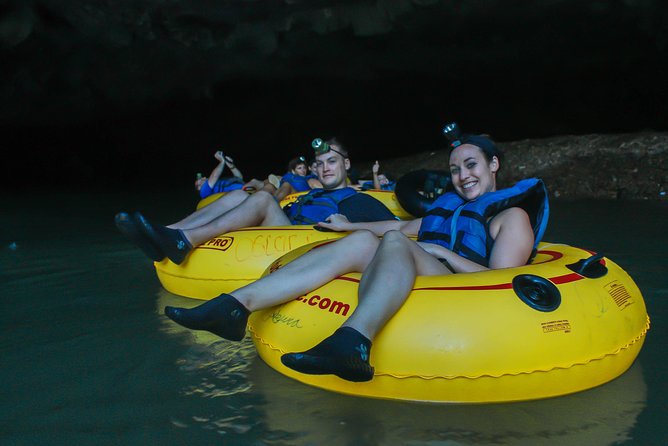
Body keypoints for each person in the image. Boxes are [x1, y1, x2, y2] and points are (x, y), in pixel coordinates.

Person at [161, 124, 549, 383]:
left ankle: (354, 342)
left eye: (471, 165)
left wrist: (432, 250)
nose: (462, 176)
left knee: (396, 246)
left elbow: (502, 281)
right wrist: (350, 227)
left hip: (463, 289)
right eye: (454, 169)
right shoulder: (449, 208)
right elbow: (400, 227)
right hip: (429, 263)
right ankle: (236, 306)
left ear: (493, 164)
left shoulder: (510, 215)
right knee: (368, 242)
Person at [115, 137, 397, 264]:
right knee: (238, 194)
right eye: (320, 163)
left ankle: (184, 240)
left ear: (346, 164)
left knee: (262, 200)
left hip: (304, 242)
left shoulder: (358, 199)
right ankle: (165, 232)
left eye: (332, 161)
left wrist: (351, 228)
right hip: (288, 227)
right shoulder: (313, 192)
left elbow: (396, 229)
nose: (324, 168)